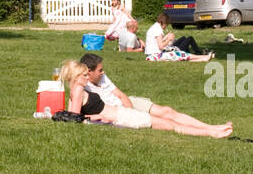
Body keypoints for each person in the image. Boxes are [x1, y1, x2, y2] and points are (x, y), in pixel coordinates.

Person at [61, 59, 231, 137]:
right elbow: (74, 118)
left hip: (122, 113)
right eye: (84, 75)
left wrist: (92, 117)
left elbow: (73, 114)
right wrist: (95, 117)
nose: (86, 77)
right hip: (123, 116)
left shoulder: (77, 89)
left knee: (170, 122)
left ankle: (212, 130)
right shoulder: (77, 90)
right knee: (170, 125)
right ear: (76, 76)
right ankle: (211, 132)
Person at [144, 13, 213, 62]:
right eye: (167, 24)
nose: (166, 26)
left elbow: (157, 42)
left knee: (183, 38)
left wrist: (166, 37)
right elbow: (161, 46)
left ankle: (199, 55)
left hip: (154, 53)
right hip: (157, 54)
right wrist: (169, 39)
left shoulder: (155, 27)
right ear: (164, 23)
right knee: (189, 39)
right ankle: (200, 55)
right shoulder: (157, 30)